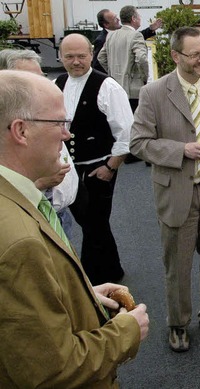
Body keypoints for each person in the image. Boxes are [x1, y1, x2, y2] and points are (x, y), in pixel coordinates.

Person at [0, 69, 149, 388]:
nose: (67, 135)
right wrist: (127, 331)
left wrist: (78, 295)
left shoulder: (13, 200)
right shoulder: (18, 242)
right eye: (58, 123)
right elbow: (49, 371)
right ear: (21, 131)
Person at [130, 27, 200, 352]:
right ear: (176, 56)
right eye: (196, 54)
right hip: (178, 190)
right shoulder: (154, 93)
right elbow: (138, 143)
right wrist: (181, 151)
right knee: (178, 266)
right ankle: (178, 324)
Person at [55, 33, 133, 284]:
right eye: (69, 56)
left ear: (91, 55)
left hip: (99, 167)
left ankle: (92, 280)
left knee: (94, 224)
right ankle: (112, 270)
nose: (76, 61)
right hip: (68, 168)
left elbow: (127, 132)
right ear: (60, 57)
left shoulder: (107, 86)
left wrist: (111, 166)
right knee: (91, 224)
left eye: (81, 56)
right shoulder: (58, 82)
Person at [3, 49, 78, 237]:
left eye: (42, 77)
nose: (66, 134)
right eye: (29, 80)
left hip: (58, 212)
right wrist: (38, 185)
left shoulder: (40, 111)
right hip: (34, 214)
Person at [98, 5, 149, 113]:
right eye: (138, 16)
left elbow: (101, 57)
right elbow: (141, 59)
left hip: (115, 87)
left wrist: (112, 71)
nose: (140, 18)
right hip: (133, 91)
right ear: (133, 19)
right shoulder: (136, 35)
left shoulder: (111, 35)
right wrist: (144, 77)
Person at [92, 8, 162, 74]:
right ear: (106, 25)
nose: (118, 20)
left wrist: (150, 29)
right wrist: (112, 74)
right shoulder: (101, 40)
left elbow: (133, 37)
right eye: (114, 19)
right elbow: (98, 64)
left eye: (116, 17)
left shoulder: (119, 30)